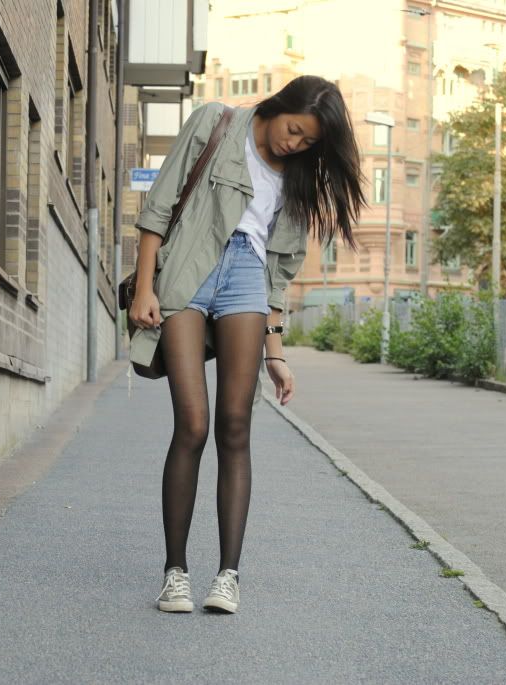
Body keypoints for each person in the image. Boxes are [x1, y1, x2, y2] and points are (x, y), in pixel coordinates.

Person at [128, 75, 365, 614]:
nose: (295, 144)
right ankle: (175, 573)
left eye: (308, 141)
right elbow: (158, 208)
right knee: (192, 424)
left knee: (236, 425)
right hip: (188, 271)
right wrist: (144, 288)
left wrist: (275, 354)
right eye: (294, 130)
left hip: (246, 279)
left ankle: (227, 576)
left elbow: (279, 269)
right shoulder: (215, 122)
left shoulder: (297, 176)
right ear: (280, 106)